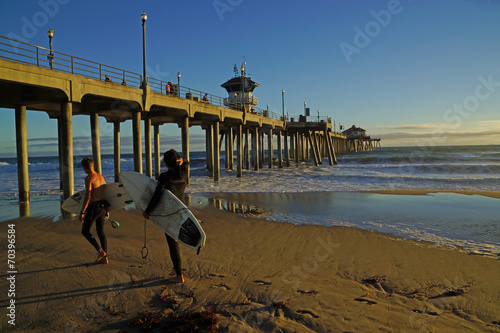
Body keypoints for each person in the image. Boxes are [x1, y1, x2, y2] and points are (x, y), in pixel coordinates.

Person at [142, 149, 188, 283]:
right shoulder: (184, 173)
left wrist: (147, 211)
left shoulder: (164, 177)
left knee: (172, 244)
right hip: (182, 212)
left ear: (166, 163)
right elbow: (186, 162)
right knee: (174, 241)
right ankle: (176, 268)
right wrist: (182, 161)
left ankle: (179, 276)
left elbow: (157, 196)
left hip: (169, 213)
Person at [79, 157, 109, 264]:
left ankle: (100, 251)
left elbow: (88, 196)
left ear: (84, 168)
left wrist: (82, 212)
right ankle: (105, 258)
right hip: (102, 207)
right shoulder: (101, 177)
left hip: (94, 208)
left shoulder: (89, 178)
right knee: (100, 231)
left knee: (85, 231)